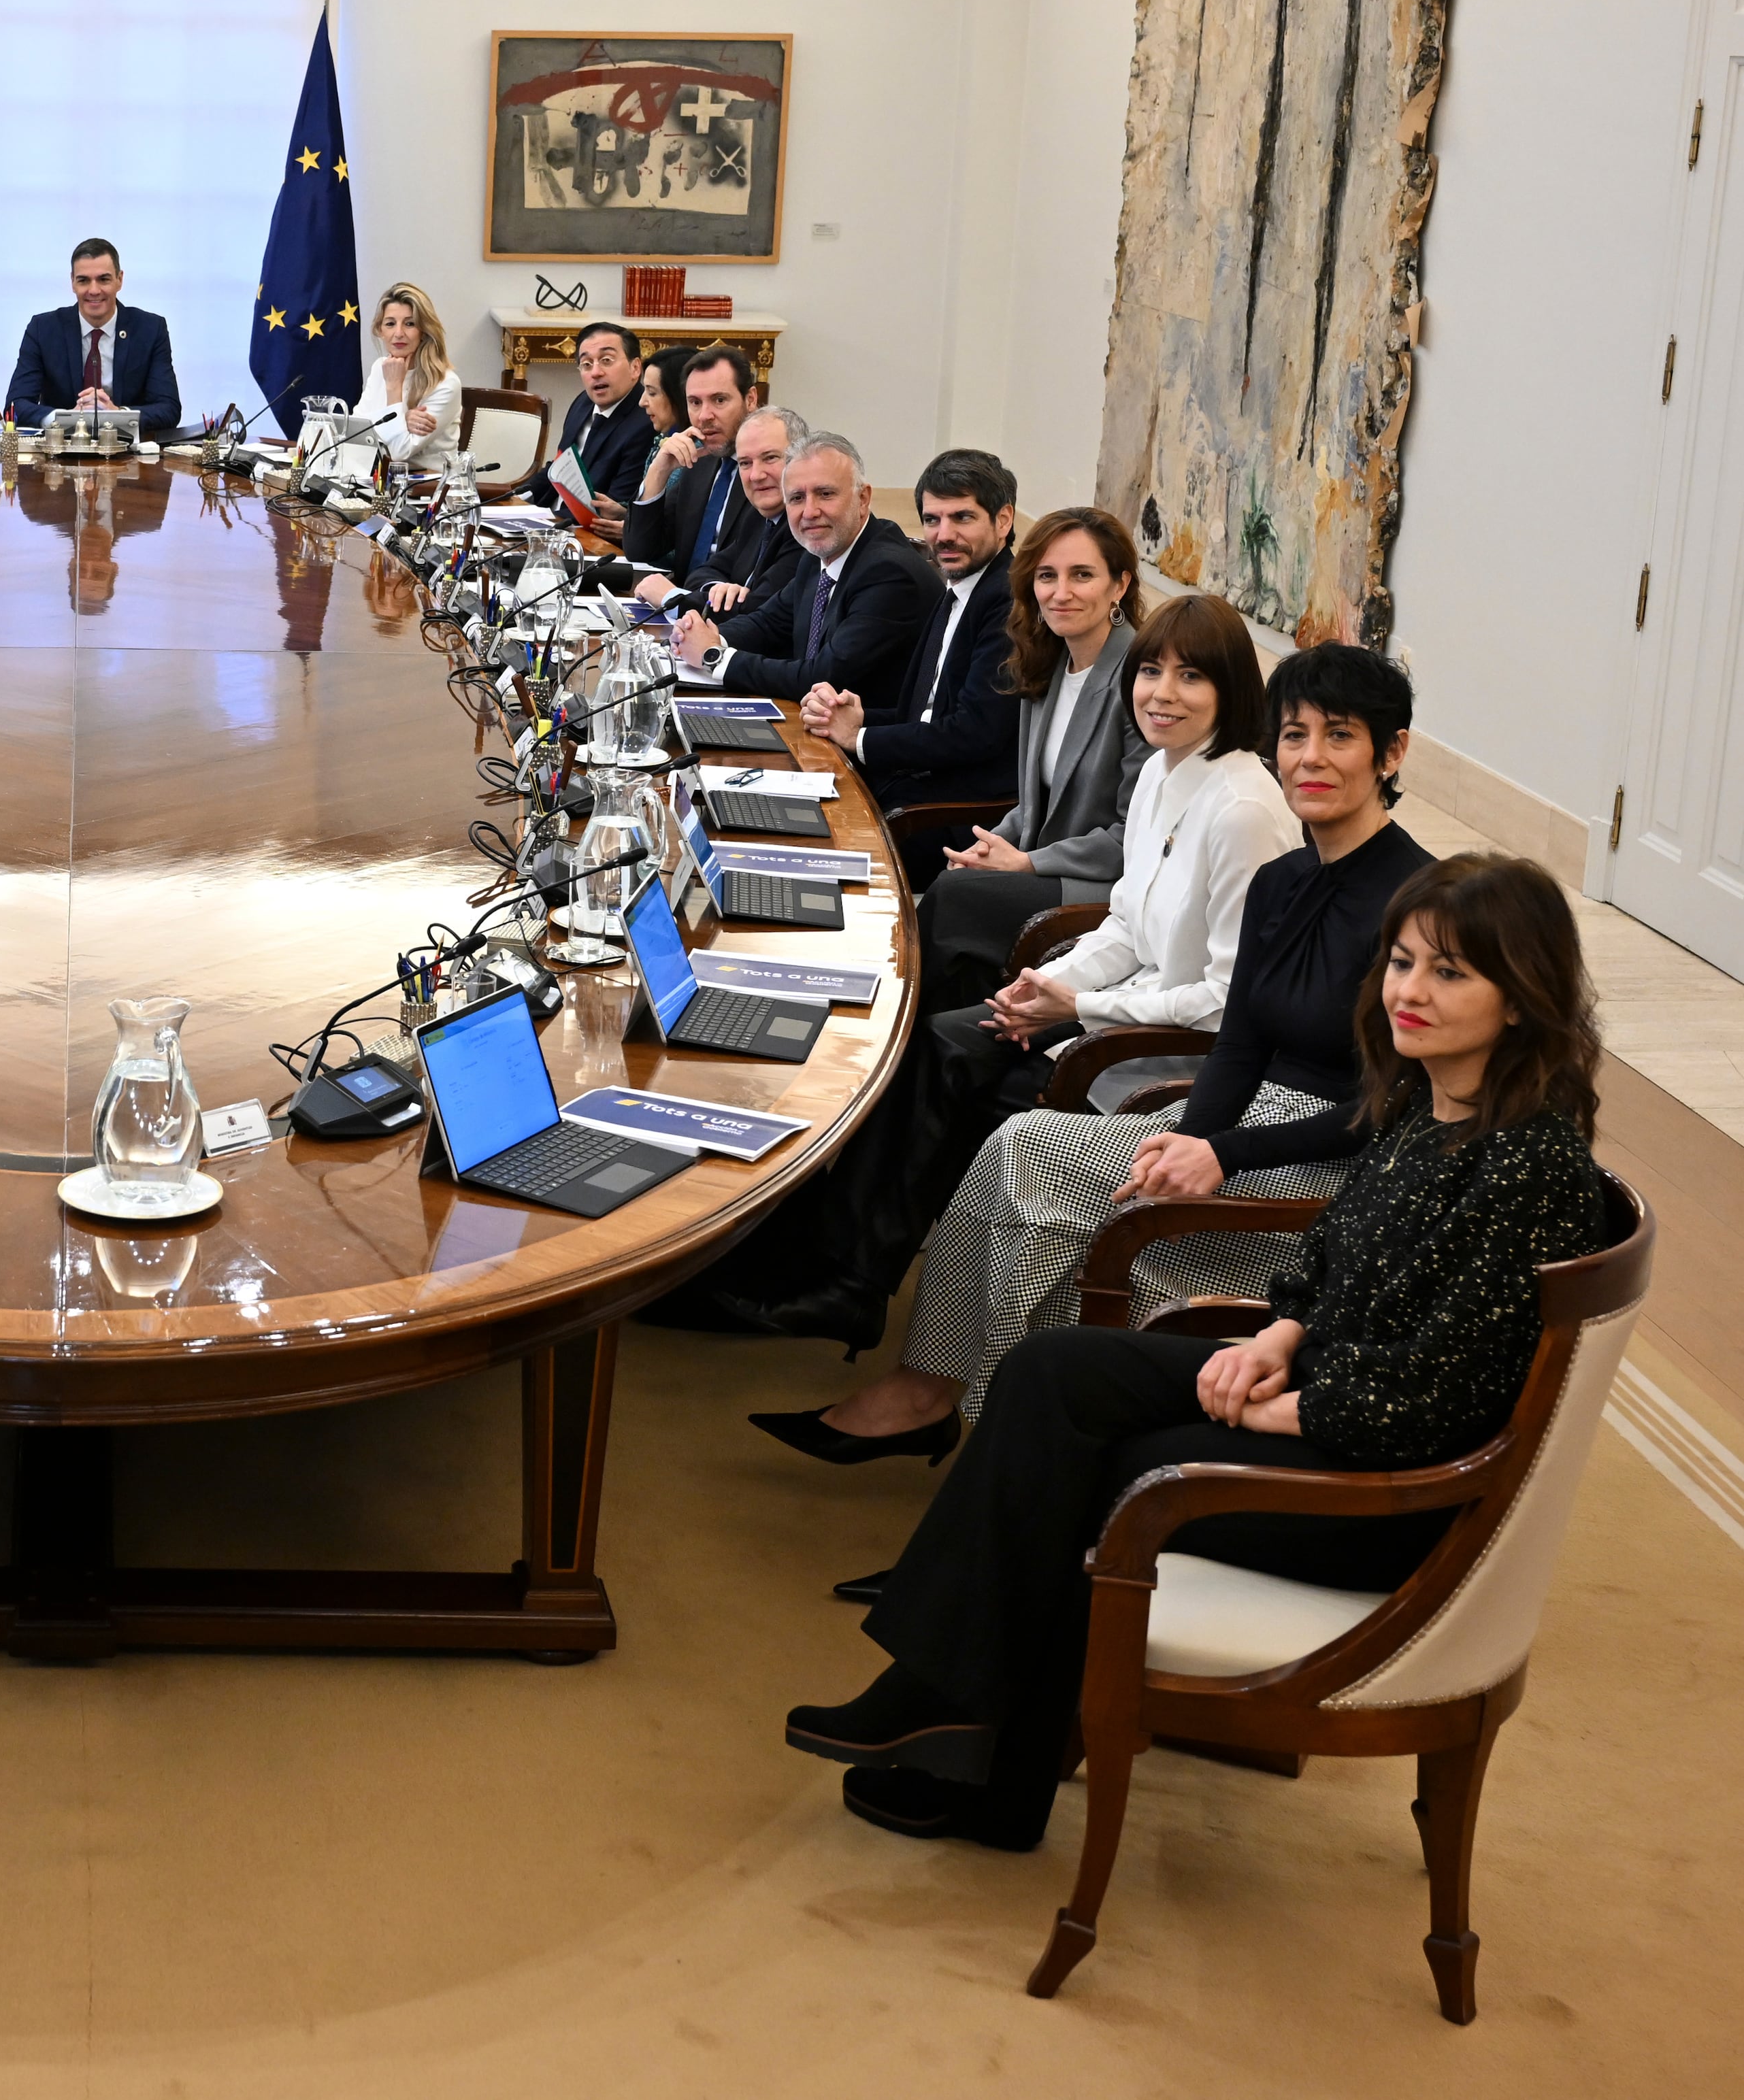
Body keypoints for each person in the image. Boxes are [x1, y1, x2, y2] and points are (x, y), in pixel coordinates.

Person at [787, 852, 1615, 1850]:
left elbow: (1437, 1401)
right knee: (1054, 1372)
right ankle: (943, 1698)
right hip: (1329, 1387)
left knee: (1123, 1464)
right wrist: (1280, 1331)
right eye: (1401, 962)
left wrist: (1266, 1407)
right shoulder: (1424, 1101)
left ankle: (990, 1764)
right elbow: (1333, 1252)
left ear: (1521, 998)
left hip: (1392, 1485)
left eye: (1450, 973)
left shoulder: (1532, 1166)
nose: (1410, 992)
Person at [779, 648, 1432, 1536]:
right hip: (1233, 1123)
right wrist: (1188, 1137)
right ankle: (965, 1440)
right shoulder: (1285, 880)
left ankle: (970, 1453)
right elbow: (1239, 1042)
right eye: (1294, 734)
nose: (1310, 757)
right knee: (1032, 1185)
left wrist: (1219, 1151)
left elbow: (1390, 1114)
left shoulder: (1417, 901)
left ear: (1391, 754)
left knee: (1039, 1176)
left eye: (1340, 736)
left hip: (1326, 1168)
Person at [653, 593, 1291, 1359]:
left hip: (1161, 1056)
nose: (1160, 693)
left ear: (1231, 690)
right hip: (1108, 1009)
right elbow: (1124, 923)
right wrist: (1045, 987)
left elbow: (1226, 1001)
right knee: (928, 1041)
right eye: (1149, 670)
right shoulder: (1162, 772)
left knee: (946, 1057)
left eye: (1189, 677)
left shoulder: (1244, 810)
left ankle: (842, 1286)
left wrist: (1077, 1005)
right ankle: (806, 1260)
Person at [915, 507, 1150, 1008]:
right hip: (1043, 867)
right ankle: (941, 1046)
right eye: (1047, 575)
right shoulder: (1047, 662)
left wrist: (1026, 863)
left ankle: (909, 1046)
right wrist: (991, 846)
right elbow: (1033, 803)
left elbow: (1134, 837)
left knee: (954, 902)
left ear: (1120, 585)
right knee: (952, 882)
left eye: (1081, 574)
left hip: (1105, 889)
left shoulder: (1141, 680)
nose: (1060, 592)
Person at [803, 448, 1024, 884]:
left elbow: (974, 733)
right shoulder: (959, 586)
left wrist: (861, 737)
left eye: (962, 518)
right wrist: (853, 719)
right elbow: (924, 713)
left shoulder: (1007, 601)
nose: (944, 535)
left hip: (956, 814)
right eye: (932, 519)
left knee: (817, 848)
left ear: (1003, 521)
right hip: (918, 782)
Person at [670, 431, 940, 707]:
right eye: (797, 498)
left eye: (825, 494)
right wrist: (705, 636)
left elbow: (824, 678)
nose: (810, 512)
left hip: (863, 740)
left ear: (862, 499)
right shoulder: (819, 552)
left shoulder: (889, 573)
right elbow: (769, 623)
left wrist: (714, 656)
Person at [3, 237, 183, 433]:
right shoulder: (43, 329)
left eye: (104, 279)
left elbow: (169, 409)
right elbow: (15, 406)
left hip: (128, 455)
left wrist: (118, 415)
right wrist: (64, 418)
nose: (94, 290)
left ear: (120, 280)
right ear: (73, 282)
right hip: (61, 453)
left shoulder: (150, 329)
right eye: (84, 280)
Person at [625, 344, 757, 585]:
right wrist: (659, 470)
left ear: (750, 400)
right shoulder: (700, 462)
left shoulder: (769, 473)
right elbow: (640, 551)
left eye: (719, 400)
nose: (705, 416)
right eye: (695, 403)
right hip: (678, 608)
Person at [661, 403, 808, 618]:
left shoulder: (807, 526)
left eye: (770, 458)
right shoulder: (759, 517)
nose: (756, 475)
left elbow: (758, 610)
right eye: (745, 463)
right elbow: (703, 572)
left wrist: (670, 598)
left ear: (802, 458)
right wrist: (719, 589)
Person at [514, 320, 655, 526]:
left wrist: (541, 522)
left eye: (607, 360)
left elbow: (611, 508)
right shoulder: (583, 403)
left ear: (635, 368)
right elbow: (559, 467)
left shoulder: (644, 423)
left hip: (585, 533)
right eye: (587, 364)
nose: (595, 372)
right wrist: (515, 500)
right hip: (550, 517)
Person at [365, 283, 463, 476]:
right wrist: (402, 420)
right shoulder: (380, 368)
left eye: (410, 324)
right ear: (380, 330)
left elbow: (398, 453)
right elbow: (356, 435)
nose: (399, 333)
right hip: (379, 481)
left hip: (428, 490)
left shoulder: (446, 384)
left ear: (424, 331)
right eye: (390, 324)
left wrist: (394, 387)